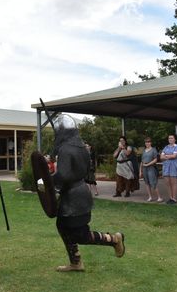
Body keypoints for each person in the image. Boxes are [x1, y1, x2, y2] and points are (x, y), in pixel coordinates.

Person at [48, 114, 125, 272]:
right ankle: (76, 262)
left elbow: (63, 175)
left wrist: (46, 181)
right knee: (62, 225)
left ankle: (114, 239)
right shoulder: (81, 146)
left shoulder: (65, 149)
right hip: (78, 192)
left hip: (74, 196)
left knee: (80, 235)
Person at [139, 137, 163, 202]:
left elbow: (155, 160)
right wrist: (140, 171)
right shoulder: (144, 151)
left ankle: (159, 197)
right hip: (144, 168)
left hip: (151, 168)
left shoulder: (153, 150)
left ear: (151, 143)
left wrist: (148, 164)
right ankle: (150, 197)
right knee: (147, 183)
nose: (147, 143)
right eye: (146, 142)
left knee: (153, 183)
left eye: (149, 142)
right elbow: (142, 161)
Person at [161, 134, 177, 204]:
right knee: (167, 183)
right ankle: (170, 198)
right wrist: (169, 156)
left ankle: (174, 198)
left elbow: (174, 156)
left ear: (175, 139)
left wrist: (165, 156)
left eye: (172, 138)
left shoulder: (176, 147)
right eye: (169, 138)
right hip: (166, 166)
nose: (170, 139)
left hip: (173, 166)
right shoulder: (166, 147)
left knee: (173, 183)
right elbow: (161, 157)